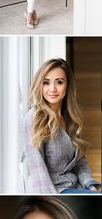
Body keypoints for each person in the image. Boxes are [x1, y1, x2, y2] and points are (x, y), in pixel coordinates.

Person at [22, 58, 101, 193]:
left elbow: (80, 160)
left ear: (67, 85)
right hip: (53, 190)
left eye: (59, 82)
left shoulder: (71, 119)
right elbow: (37, 165)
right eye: (46, 83)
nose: (52, 89)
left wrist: (90, 186)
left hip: (74, 186)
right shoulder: (35, 117)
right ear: (39, 86)